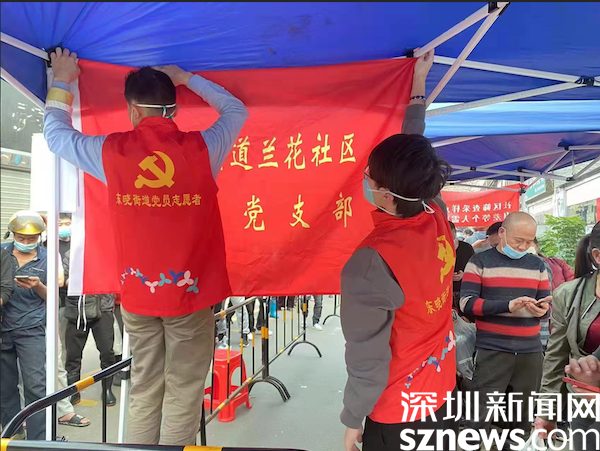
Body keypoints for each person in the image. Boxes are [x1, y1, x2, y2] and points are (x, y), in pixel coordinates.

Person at [44, 49, 248, 445]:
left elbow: (55, 134)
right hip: (190, 296)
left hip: (138, 296)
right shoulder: (205, 147)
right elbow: (235, 110)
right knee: (184, 391)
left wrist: (62, 79)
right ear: (174, 109)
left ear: (133, 110)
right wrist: (188, 78)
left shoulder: (110, 152)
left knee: (144, 386)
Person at [341, 49, 458, 451]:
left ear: (387, 194)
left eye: (369, 177)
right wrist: (418, 85)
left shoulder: (371, 261)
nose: (366, 181)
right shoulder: (435, 213)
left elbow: (367, 354)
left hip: (399, 409)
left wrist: (353, 418)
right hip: (441, 390)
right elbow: (417, 151)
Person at [460, 212, 551, 450]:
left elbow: (547, 305)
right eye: (518, 240)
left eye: (529, 242)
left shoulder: (537, 265)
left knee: (521, 413)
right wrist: (506, 306)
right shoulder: (480, 262)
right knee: (480, 412)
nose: (523, 247)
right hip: (493, 350)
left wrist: (542, 310)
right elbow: (466, 303)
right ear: (502, 232)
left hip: (530, 351)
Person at [535, 222, 600, 451]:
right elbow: (556, 356)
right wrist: (547, 412)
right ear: (597, 256)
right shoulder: (570, 295)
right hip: (586, 402)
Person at [0, 211, 50, 440]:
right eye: (22, 238)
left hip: (32, 329)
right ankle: (13, 433)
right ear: (12, 234)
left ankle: (38, 439)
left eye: (32, 239)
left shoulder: (47, 258)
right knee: (5, 386)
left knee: (35, 386)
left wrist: (38, 285)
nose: (27, 242)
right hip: (3, 328)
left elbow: (53, 298)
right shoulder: (2, 253)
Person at [63, 249, 117, 406]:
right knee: (73, 354)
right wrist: (72, 281)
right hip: (77, 308)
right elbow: (62, 279)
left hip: (103, 308)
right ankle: (73, 392)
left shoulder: (108, 253)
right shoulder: (71, 254)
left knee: (107, 352)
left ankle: (107, 390)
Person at [449, 222, 474, 310]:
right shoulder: (435, 248)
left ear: (455, 232)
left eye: (451, 235)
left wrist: (464, 274)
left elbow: (473, 269)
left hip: (463, 290)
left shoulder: (467, 248)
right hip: (443, 291)